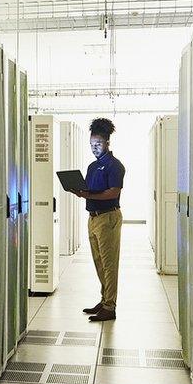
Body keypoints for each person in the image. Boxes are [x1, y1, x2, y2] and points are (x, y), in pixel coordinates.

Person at [72, 118, 125, 322]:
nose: (95, 148)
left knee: (109, 264)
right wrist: (78, 189)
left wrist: (87, 196)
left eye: (98, 144)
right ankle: (104, 300)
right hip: (93, 219)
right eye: (92, 145)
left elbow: (113, 192)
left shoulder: (115, 166)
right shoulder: (93, 166)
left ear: (107, 143)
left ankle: (110, 307)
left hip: (108, 218)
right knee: (99, 262)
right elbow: (88, 188)